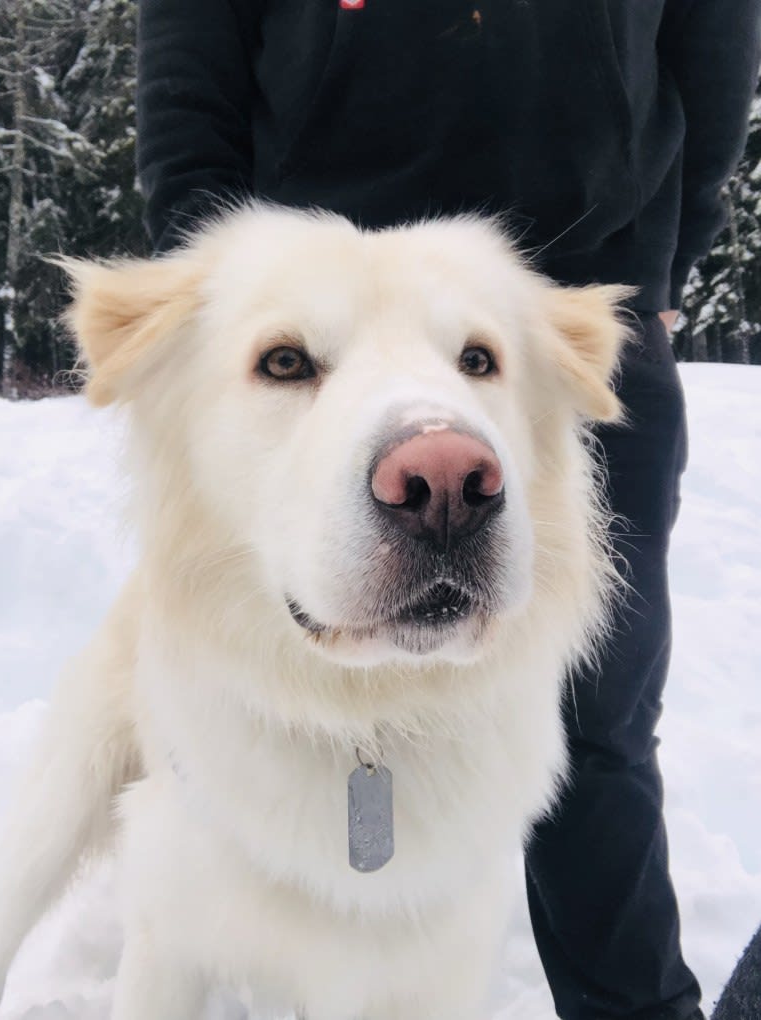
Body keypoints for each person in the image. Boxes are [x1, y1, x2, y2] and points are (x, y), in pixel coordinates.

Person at [135, 3, 760, 1018]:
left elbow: (711, 51)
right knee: (246, 695)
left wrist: (650, 279)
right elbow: (187, 89)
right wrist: (238, 319)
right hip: (314, 326)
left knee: (597, 722)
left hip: (569, 323)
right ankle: (238, 951)